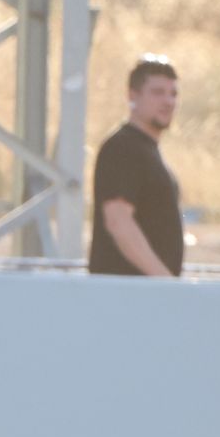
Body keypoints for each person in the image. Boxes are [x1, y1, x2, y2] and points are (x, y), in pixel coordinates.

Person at [89, 53, 184, 278]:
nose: (168, 102)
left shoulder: (147, 151)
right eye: (158, 92)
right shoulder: (122, 148)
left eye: (173, 94)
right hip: (127, 296)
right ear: (133, 95)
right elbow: (118, 221)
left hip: (144, 295)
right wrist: (165, 281)